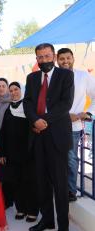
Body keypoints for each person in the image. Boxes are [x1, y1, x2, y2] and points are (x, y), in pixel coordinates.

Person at [24, 43, 74, 231]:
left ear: (53, 56)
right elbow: (28, 102)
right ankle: (47, 221)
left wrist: (42, 121)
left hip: (57, 137)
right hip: (37, 137)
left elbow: (65, 104)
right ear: (36, 59)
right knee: (42, 181)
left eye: (47, 56)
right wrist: (34, 121)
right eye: (40, 57)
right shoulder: (32, 77)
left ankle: (63, 226)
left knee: (60, 185)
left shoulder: (66, 75)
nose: (44, 60)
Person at [56, 48, 95, 202]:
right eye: (62, 59)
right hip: (53, 125)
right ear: (57, 60)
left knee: (71, 158)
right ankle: (58, 187)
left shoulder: (83, 76)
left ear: (73, 58)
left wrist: (88, 113)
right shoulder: (52, 77)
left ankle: (71, 190)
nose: (65, 61)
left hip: (74, 127)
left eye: (68, 58)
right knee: (55, 158)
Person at [0, 82, 39, 222]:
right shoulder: (8, 109)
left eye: (16, 89)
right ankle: (21, 208)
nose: (13, 92)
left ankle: (32, 210)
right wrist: (3, 153)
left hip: (29, 152)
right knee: (16, 182)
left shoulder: (29, 107)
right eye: (11, 90)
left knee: (30, 182)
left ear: (21, 90)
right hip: (12, 153)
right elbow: (3, 133)